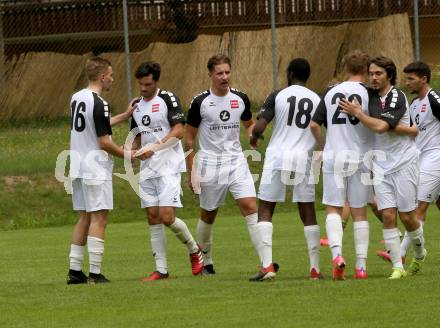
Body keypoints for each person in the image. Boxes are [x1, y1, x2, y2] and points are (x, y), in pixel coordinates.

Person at [339, 56, 427, 279]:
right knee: (387, 214)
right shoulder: (370, 95)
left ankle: (419, 251)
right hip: (380, 163)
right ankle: (398, 266)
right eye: (371, 73)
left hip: (404, 162)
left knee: (407, 216)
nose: (373, 78)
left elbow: (380, 127)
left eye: (378, 74)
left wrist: (358, 113)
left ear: (389, 75)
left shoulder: (396, 96)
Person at [185, 54, 261, 275]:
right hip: (210, 164)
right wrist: (192, 171)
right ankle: (205, 260)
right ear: (210, 74)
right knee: (208, 214)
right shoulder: (200, 102)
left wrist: (252, 135)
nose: (224, 77)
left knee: (250, 207)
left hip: (236, 161)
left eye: (227, 72)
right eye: (219, 73)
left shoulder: (241, 98)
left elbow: (249, 124)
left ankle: (265, 262)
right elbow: (189, 139)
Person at [249, 58, 322, 281]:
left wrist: (254, 137)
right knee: (307, 211)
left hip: (278, 156)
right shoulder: (317, 99)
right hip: (304, 157)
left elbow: (260, 126)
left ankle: (267, 266)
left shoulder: (278, 95)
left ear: (290, 74)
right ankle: (315, 269)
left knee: (266, 209)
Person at [130, 61, 204, 281]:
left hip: (169, 166)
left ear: (156, 81)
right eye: (141, 85)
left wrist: (155, 146)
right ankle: (161, 269)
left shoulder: (167, 98)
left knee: (166, 216)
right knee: (152, 217)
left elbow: (179, 130)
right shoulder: (137, 106)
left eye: (147, 84)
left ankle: (194, 250)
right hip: (148, 168)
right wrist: (131, 151)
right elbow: (136, 136)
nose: (143, 89)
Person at [67, 57, 136, 284]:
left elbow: (93, 124)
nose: (113, 79)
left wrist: (124, 116)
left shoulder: (77, 98)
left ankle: (75, 272)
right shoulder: (99, 102)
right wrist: (126, 154)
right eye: (111, 75)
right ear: (103, 76)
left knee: (84, 217)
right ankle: (96, 274)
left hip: (77, 164)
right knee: (100, 218)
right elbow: (103, 142)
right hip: (94, 167)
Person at [310, 50, 372, 280]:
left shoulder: (330, 91)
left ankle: (337, 256)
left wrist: (325, 145)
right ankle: (361, 267)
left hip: (335, 155)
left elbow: (314, 125)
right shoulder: (369, 93)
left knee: (334, 208)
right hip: (361, 156)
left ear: (345, 67)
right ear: (366, 70)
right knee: (359, 213)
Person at [378, 61, 439, 265]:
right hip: (419, 158)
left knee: (418, 208)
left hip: (435, 157)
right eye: (406, 78)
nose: (407, 82)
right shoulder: (413, 104)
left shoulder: (434, 99)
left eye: (411, 78)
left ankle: (401, 254)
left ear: (424, 79)